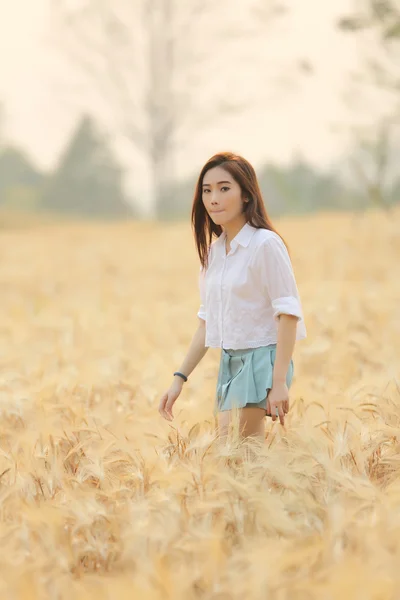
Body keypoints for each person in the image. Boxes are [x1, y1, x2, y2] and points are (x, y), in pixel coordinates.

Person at [158, 152, 306, 439]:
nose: (214, 198)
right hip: (230, 363)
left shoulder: (265, 244)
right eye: (207, 190)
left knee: (239, 455)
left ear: (246, 195)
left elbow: (288, 312)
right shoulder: (215, 252)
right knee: (237, 461)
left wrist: (278, 383)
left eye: (224, 188)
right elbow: (206, 323)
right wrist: (179, 378)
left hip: (262, 360)